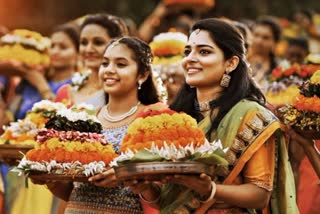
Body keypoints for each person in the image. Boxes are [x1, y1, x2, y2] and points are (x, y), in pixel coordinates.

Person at [129, 18, 298, 214]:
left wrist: (211, 190)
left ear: (231, 63)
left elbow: (259, 195)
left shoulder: (251, 115)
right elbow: (172, 199)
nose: (190, 58)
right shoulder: (177, 117)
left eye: (204, 52)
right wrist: (147, 189)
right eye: (188, 51)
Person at [46, 37, 160, 214]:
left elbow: (162, 194)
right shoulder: (83, 118)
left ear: (142, 75)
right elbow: (71, 191)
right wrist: (50, 180)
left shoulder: (153, 118)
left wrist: (126, 175)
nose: (109, 70)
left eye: (121, 64)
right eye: (105, 63)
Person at [7, 23, 79, 214]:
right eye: (52, 46)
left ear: (78, 53)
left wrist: (41, 85)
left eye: (63, 47)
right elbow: (10, 120)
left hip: (51, 171)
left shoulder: (77, 86)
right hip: (14, 163)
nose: (55, 51)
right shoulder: (28, 81)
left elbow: (64, 122)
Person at [56, 13, 128, 109]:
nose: (88, 49)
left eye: (98, 42)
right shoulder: (65, 92)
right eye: (84, 43)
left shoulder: (126, 91)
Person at [248, 17, 282, 92]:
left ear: (275, 42)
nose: (259, 41)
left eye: (266, 38)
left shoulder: (280, 67)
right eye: (256, 35)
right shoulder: (237, 61)